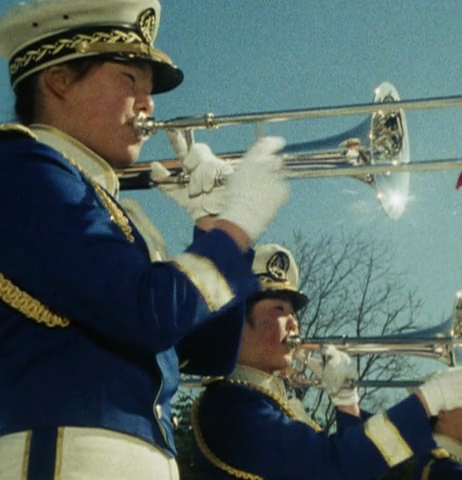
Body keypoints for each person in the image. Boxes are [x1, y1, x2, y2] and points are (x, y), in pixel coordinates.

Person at [0, 0, 288, 478]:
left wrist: (213, 225)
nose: (148, 104)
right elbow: (144, 312)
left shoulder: (107, 206)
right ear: (59, 80)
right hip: (68, 459)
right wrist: (237, 226)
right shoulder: (21, 169)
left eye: (149, 90)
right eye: (129, 80)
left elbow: (208, 352)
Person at [190, 243, 462, 479]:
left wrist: (347, 405)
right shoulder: (228, 405)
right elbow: (335, 466)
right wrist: (428, 400)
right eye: (279, 310)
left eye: (294, 312)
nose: (295, 322)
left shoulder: (265, 402)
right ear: (238, 322)